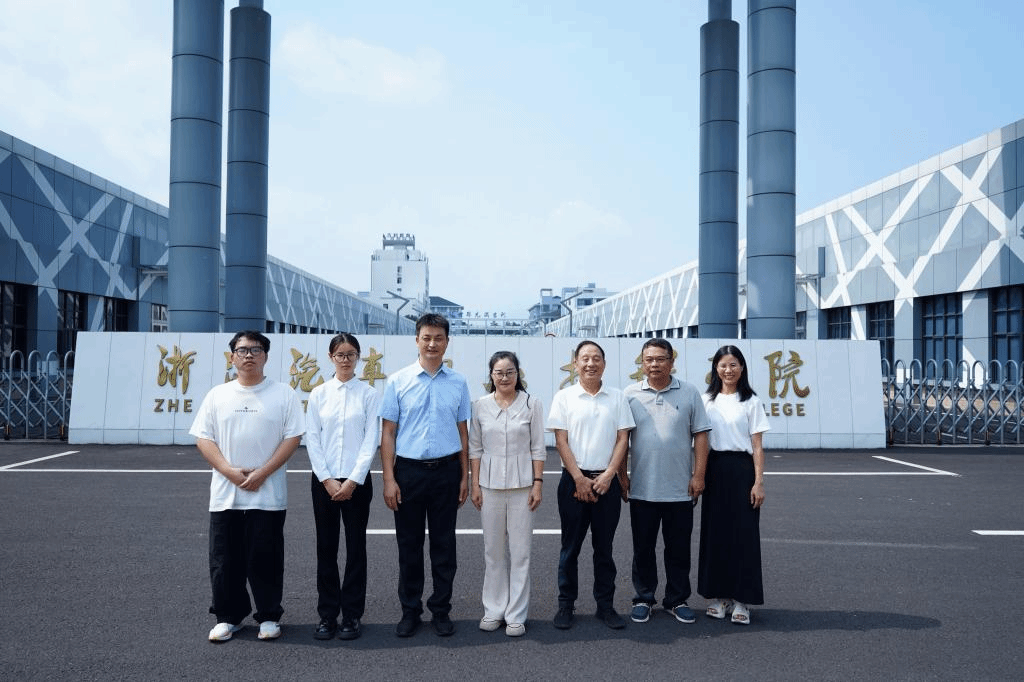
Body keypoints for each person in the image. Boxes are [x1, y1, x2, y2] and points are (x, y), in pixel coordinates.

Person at [190, 331, 304, 643]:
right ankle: (228, 617)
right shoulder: (218, 395)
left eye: (255, 350)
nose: (249, 355)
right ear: (232, 357)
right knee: (224, 560)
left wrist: (263, 473)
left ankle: (268, 616)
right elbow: (204, 438)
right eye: (242, 350)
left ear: (266, 356)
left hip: (268, 494)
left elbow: (293, 437)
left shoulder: (283, 394)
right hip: (226, 494)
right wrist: (228, 471)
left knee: (265, 558)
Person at [379, 313, 472, 638]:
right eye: (427, 338)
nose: (432, 344)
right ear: (417, 340)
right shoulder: (398, 381)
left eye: (438, 338)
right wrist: (389, 479)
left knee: (444, 545)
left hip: (447, 471)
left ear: (447, 342)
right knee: (409, 545)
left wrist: (464, 477)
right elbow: (388, 433)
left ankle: (441, 610)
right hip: (409, 473)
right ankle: (410, 611)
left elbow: (463, 432)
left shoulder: (458, 382)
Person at [547, 340, 635, 630]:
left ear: (604, 364)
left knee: (604, 549)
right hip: (573, 482)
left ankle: (605, 606)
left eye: (596, 358)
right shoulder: (564, 397)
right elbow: (561, 441)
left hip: (606, 482)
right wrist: (578, 478)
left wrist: (610, 475)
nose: (590, 363)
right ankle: (565, 605)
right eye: (584, 358)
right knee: (570, 548)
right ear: (575, 364)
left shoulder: (617, 397)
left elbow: (623, 438)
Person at [623, 339, 711, 625]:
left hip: (680, 489)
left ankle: (677, 599)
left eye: (660, 359)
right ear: (642, 363)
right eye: (648, 359)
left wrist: (699, 475)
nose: (654, 364)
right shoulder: (630, 394)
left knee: (679, 550)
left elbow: (701, 435)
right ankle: (644, 598)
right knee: (643, 549)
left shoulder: (689, 392)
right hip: (643, 488)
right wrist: (622, 475)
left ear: (672, 362)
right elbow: (622, 438)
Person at [305, 333, 381, 641]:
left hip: (356, 483)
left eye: (350, 354)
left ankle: (351, 615)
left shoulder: (368, 394)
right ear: (331, 357)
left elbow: (371, 438)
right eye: (340, 354)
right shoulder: (319, 394)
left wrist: (352, 480)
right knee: (326, 549)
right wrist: (326, 478)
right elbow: (312, 438)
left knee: (355, 549)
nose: (345, 360)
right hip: (323, 482)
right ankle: (327, 615)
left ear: (358, 357)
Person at [469, 351, 546, 638]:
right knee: (493, 552)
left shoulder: (532, 403)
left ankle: (516, 615)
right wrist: (475, 485)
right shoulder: (480, 406)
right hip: (489, 487)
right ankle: (493, 610)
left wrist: (538, 483)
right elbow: (475, 448)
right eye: (499, 373)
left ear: (518, 374)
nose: (504, 377)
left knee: (521, 552)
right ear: (491, 375)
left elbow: (538, 447)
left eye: (510, 372)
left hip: (523, 486)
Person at [698, 345, 770, 625]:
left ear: (742, 368)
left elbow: (757, 446)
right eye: (723, 365)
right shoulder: (706, 400)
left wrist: (759, 482)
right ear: (715, 368)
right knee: (715, 535)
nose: (728, 370)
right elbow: (700, 442)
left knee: (744, 536)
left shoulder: (751, 401)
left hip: (742, 471)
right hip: (714, 470)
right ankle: (719, 598)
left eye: (733, 365)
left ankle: (742, 601)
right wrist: (698, 475)